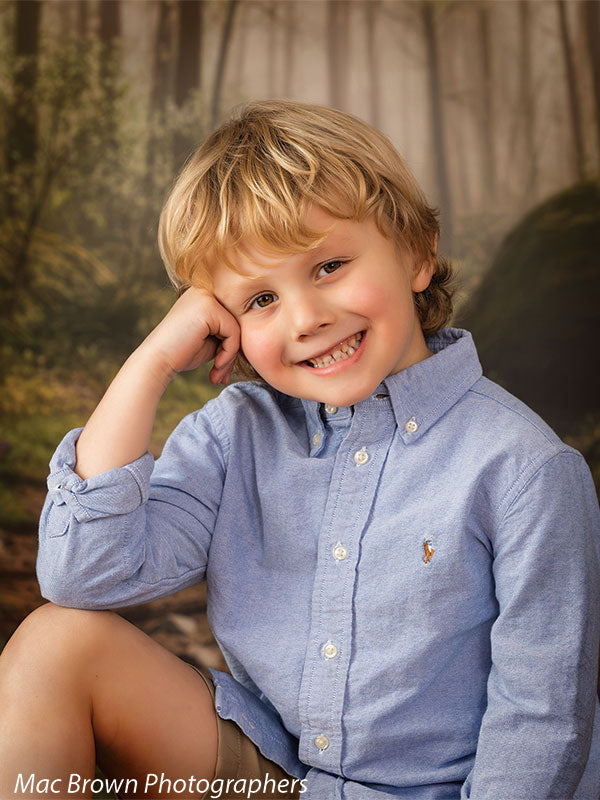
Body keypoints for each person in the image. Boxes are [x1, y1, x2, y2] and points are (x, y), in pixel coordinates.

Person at [0, 100, 599, 800]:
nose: (306, 319)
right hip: (282, 780)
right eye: (259, 300)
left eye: (329, 266)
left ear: (418, 252)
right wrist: (152, 361)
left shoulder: (526, 469)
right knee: (55, 643)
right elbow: (81, 575)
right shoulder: (236, 432)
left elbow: (540, 725)